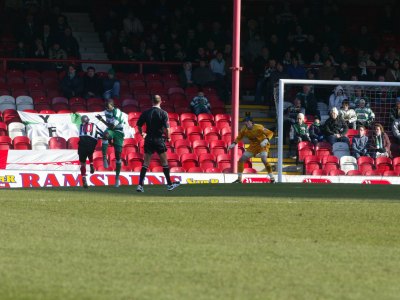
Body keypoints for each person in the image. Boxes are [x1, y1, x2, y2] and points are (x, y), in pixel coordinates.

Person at [136, 95, 181, 192]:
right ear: (161, 102)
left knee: (145, 164)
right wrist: (168, 137)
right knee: (164, 163)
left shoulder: (146, 112)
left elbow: (138, 125)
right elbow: (167, 128)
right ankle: (169, 184)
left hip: (148, 139)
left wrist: (142, 133)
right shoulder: (163, 113)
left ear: (152, 101)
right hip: (159, 139)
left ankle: (140, 185)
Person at [228, 116, 275, 183]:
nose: (246, 123)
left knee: (264, 159)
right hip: (253, 146)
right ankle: (239, 179)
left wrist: (266, 140)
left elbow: (270, 133)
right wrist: (234, 143)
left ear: (252, 122)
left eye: (247, 121)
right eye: (245, 122)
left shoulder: (259, 127)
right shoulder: (244, 129)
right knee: (241, 160)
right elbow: (239, 137)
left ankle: (272, 178)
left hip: (262, 145)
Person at [96, 99, 125, 187]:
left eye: (108, 108)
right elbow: (110, 127)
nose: (107, 109)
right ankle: (104, 157)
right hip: (111, 131)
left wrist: (101, 120)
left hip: (119, 132)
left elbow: (112, 126)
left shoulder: (118, 112)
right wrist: (109, 139)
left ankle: (117, 178)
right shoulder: (106, 111)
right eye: (106, 107)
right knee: (105, 135)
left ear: (113, 106)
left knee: (118, 156)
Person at [78, 115, 104, 188]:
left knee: (82, 163)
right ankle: (91, 164)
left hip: (82, 143)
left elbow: (80, 135)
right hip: (91, 143)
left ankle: (83, 176)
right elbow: (102, 134)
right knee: (90, 152)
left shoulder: (80, 126)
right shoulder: (93, 125)